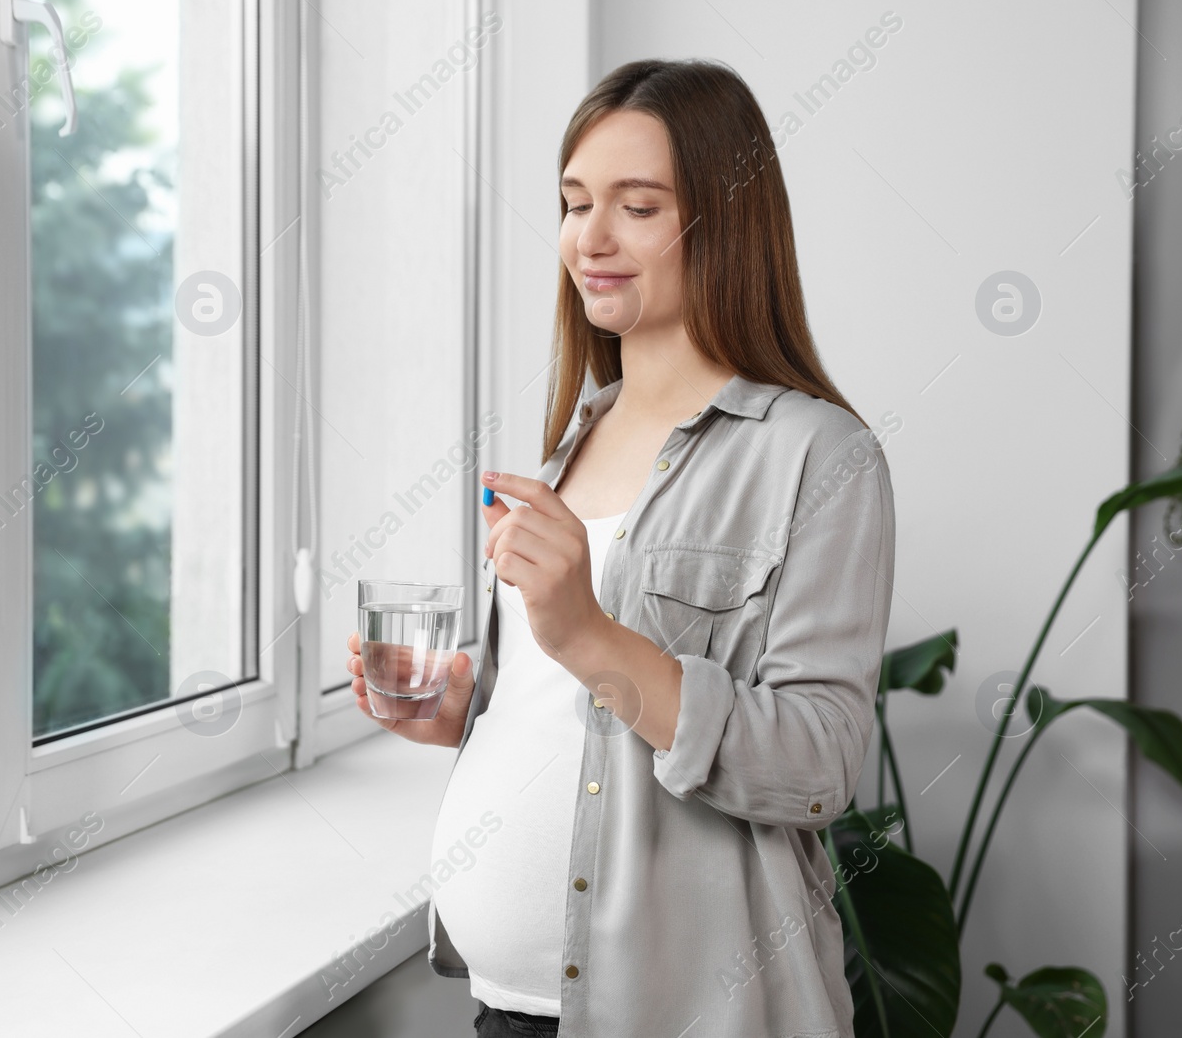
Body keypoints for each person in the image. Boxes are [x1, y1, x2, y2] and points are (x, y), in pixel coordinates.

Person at [344, 57, 896, 1038]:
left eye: (635, 207)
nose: (587, 239)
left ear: (722, 222)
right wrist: (467, 710)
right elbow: (572, 710)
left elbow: (817, 764)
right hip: (508, 1009)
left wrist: (590, 634)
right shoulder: (571, 439)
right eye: (572, 202)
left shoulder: (823, 457)